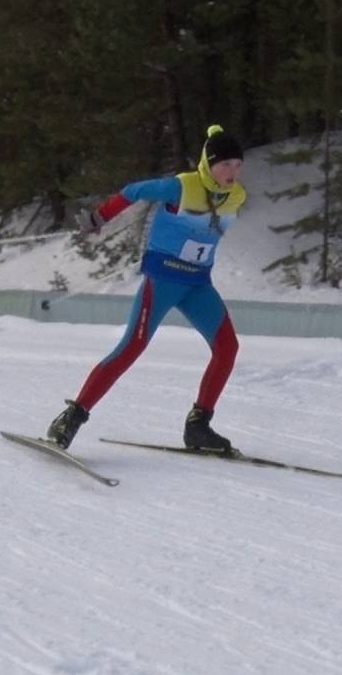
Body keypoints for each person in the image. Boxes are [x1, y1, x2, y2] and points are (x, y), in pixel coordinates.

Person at [46, 125, 247, 452]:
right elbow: (135, 190)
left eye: (238, 165)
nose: (233, 172)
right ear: (208, 163)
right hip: (164, 281)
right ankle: (71, 417)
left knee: (228, 347)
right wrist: (101, 217)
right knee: (132, 347)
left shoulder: (237, 195)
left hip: (197, 284)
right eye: (225, 164)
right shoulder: (181, 187)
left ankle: (199, 426)